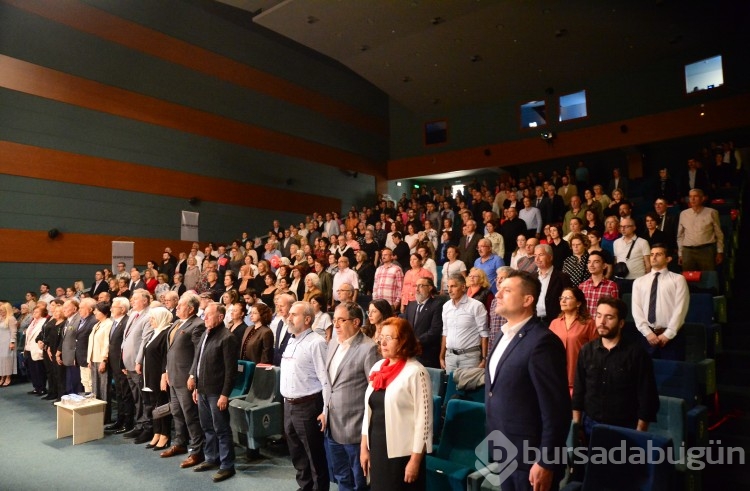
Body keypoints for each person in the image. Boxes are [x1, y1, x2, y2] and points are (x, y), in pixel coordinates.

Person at [485, 270, 570, 490]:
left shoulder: (543, 342)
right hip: (506, 450)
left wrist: (546, 461)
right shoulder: (503, 335)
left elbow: (557, 410)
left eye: (507, 290)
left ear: (527, 300)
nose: (498, 295)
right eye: (499, 289)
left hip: (531, 460)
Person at [360, 317, 432, 491]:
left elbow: (424, 423)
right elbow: (368, 412)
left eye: (389, 338)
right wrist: (364, 448)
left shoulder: (416, 372)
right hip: (377, 446)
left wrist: (415, 461)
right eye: (381, 337)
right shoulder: (377, 367)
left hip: (403, 453)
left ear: (404, 340)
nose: (382, 342)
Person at [572, 296, 660, 437]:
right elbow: (579, 392)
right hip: (590, 425)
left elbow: (647, 397)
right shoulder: (586, 351)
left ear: (621, 323)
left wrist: (639, 433)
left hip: (625, 428)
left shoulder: (636, 354)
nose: (602, 322)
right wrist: (576, 427)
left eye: (609, 317)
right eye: (599, 316)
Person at [323, 302, 379, 491]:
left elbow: (374, 393)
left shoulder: (368, 348)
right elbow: (329, 385)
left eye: (341, 320)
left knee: (359, 481)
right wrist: (325, 411)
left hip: (355, 429)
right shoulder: (333, 343)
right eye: (334, 320)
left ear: (356, 322)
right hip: (332, 425)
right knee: (340, 477)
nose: (336, 325)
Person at [281, 301, 331, 491]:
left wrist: (325, 410)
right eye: (289, 313)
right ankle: (305, 487)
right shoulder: (291, 339)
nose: (289, 317)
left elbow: (326, 380)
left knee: (314, 456)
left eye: (294, 314)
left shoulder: (317, 343)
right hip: (289, 405)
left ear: (307, 319)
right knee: (297, 454)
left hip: (308, 405)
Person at [190, 302, 239, 482]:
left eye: (209, 315)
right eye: (205, 314)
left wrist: (225, 394)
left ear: (220, 317)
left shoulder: (228, 338)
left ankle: (227, 465)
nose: (205, 317)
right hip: (202, 390)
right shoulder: (205, 334)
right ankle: (211, 458)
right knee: (207, 427)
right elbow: (198, 360)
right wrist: (195, 386)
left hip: (217, 392)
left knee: (221, 429)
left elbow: (230, 370)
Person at [160, 293, 206, 468]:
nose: (176, 308)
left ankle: (197, 451)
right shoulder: (177, 323)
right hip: (173, 376)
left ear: (191, 308)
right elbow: (170, 351)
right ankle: (180, 443)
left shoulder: (198, 325)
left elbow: (198, 354)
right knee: (177, 413)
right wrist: (165, 371)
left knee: (190, 416)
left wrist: (193, 375)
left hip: (186, 378)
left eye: (180, 305)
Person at [631, 244, 690, 360]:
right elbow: (636, 310)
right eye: (652, 254)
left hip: (672, 336)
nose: (653, 257)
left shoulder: (678, 279)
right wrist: (647, 333)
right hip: (647, 336)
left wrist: (668, 334)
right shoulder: (639, 282)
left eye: (659, 254)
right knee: (646, 374)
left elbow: (681, 309)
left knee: (671, 373)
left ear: (668, 259)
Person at [549, 287, 597, 395]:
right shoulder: (554, 323)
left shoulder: (589, 323)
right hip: (557, 377)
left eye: (568, 298)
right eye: (561, 298)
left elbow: (595, 352)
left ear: (578, 303)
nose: (563, 301)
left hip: (580, 377)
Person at [440, 273, 489, 372]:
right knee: (450, 387)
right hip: (450, 357)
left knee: (468, 387)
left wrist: (484, 359)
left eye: (453, 286)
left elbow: (484, 334)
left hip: (470, 358)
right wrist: (441, 356)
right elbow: (445, 332)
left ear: (463, 287)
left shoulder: (476, 306)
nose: (449, 290)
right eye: (448, 287)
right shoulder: (446, 306)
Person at [141, 307, 173, 450]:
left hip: (159, 376)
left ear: (161, 318)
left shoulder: (166, 333)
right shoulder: (156, 332)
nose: (150, 321)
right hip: (149, 376)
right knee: (154, 405)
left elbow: (166, 358)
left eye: (153, 318)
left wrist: (163, 375)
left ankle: (165, 434)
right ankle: (157, 432)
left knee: (162, 405)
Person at [677, 188, 725, 271]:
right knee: (689, 279)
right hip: (688, 251)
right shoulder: (683, 214)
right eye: (690, 196)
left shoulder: (711, 212)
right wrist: (680, 253)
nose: (692, 199)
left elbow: (719, 234)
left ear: (702, 198)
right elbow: (680, 236)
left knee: (708, 278)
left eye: (695, 196)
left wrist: (719, 251)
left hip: (706, 250)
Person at [105, 297, 133, 433]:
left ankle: (127, 422)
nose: (111, 309)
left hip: (122, 365)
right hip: (114, 364)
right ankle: (120, 420)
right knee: (120, 393)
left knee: (126, 394)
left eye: (114, 307)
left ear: (122, 309)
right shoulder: (115, 322)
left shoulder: (126, 322)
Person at [403, 278, 443, 368]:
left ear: (430, 288)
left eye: (421, 286)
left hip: (427, 354)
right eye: (416, 286)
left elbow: (435, 330)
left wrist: (416, 341)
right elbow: (404, 326)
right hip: (410, 352)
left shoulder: (437, 305)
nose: (417, 289)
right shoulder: (411, 305)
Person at [534, 244, 572, 325]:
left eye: (541, 255)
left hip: (555, 321)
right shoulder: (531, 277)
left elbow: (569, 300)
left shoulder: (562, 277)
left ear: (550, 257)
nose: (537, 259)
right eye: (535, 256)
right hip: (535, 321)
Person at [87, 302, 113, 418]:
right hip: (94, 359)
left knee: (103, 388)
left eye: (97, 310)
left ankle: (104, 416)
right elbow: (92, 343)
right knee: (95, 389)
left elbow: (107, 343)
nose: (94, 312)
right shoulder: (97, 324)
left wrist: (104, 360)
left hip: (102, 360)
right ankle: (97, 415)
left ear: (104, 312)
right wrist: (89, 359)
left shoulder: (108, 324)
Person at [578, 251, 619, 318]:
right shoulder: (582, 286)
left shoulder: (612, 286)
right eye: (589, 262)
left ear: (604, 266)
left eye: (596, 262)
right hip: (585, 325)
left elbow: (614, 310)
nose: (591, 265)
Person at [24, 305, 48, 395]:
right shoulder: (33, 321)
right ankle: (36, 387)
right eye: (34, 311)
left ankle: (42, 388)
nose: (34, 313)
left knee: (39, 370)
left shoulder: (44, 321)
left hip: (37, 348)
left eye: (37, 312)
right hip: (29, 348)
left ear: (42, 313)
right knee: (32, 370)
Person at [372, 248, 405, 312]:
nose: (383, 256)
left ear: (391, 256)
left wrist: (397, 302)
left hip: (391, 304)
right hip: (379, 304)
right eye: (382, 255)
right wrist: (374, 300)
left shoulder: (397, 269)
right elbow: (375, 286)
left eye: (386, 255)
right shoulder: (378, 269)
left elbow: (400, 287)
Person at [0, 302, 18, 386]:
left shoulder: (11, 318)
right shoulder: (1, 318)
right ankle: (2, 376)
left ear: (7, 310)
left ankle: (8, 377)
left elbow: (13, 331)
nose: (0, 312)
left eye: (2, 310)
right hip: (1, 341)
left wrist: (12, 342)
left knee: (7, 359)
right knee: (1, 360)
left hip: (8, 341)